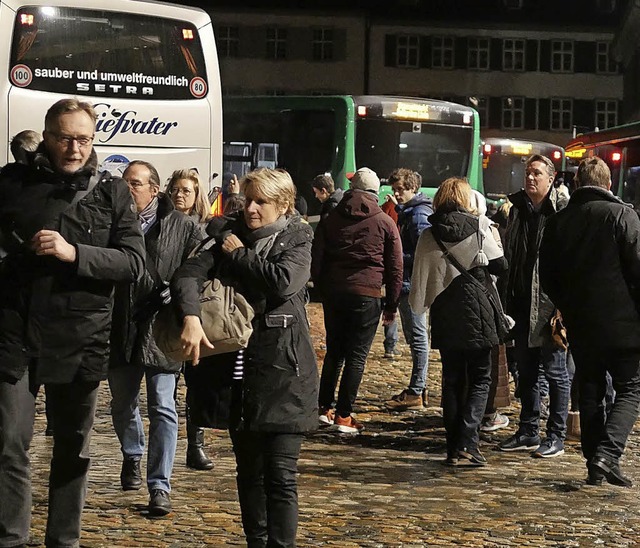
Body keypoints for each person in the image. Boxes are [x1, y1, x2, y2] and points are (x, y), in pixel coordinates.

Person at [0, 98, 145, 548]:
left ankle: (64, 540)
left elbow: (134, 263)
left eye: (83, 138)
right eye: (64, 137)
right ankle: (10, 537)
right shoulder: (11, 182)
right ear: (46, 136)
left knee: (73, 448)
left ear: (94, 139)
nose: (73, 147)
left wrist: (74, 253)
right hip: (14, 332)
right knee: (9, 444)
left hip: (81, 336)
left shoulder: (112, 192)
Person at [171, 167, 318, 547]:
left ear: (283, 204)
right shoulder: (224, 234)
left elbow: (284, 281)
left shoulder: (297, 237)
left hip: (286, 370)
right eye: (248, 200)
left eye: (261, 202)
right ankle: (257, 540)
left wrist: (239, 256)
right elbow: (186, 275)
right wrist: (189, 315)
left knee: (281, 474)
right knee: (249, 471)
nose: (251, 209)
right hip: (238, 370)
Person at [108, 160, 202, 516]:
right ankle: (132, 452)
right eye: (124, 183)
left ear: (153, 189)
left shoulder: (182, 226)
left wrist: (178, 293)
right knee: (122, 403)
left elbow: (198, 269)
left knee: (163, 407)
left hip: (162, 329)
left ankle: (160, 485)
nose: (127, 189)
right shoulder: (112, 223)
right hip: (122, 325)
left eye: (134, 183)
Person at [540, 156, 640, 487]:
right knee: (631, 387)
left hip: (581, 323)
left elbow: (548, 277)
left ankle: (594, 463)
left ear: (579, 183)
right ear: (608, 183)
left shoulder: (559, 222)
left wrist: (566, 307)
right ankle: (607, 455)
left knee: (590, 390)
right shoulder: (622, 215)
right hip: (623, 324)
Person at [410, 177, 508, 466]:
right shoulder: (480, 227)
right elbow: (502, 265)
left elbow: (420, 279)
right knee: (480, 378)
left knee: (451, 379)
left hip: (445, 314)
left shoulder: (429, 235)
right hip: (478, 313)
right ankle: (468, 443)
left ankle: (453, 447)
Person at [312, 167, 403, 433]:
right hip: (368, 294)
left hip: (335, 293)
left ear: (353, 191)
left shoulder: (331, 218)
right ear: (376, 193)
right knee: (357, 356)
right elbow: (395, 267)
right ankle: (343, 415)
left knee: (334, 353)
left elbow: (317, 257)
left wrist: (322, 289)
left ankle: (324, 409)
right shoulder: (385, 222)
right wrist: (392, 304)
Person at [497, 154, 570, 458]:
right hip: (520, 304)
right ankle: (528, 429)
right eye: (528, 173)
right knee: (525, 371)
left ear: (551, 179)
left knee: (556, 373)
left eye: (537, 174)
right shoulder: (515, 210)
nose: (530, 179)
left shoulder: (563, 214)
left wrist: (564, 305)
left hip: (551, 307)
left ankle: (556, 434)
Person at [167, 168, 217, 471]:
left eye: (186, 190)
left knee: (196, 380)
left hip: (196, 311)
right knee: (166, 384)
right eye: (175, 189)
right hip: (164, 311)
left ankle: (195, 444)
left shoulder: (204, 229)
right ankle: (166, 443)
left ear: (197, 195)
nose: (179, 194)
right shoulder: (159, 223)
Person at [384, 168, 433, 411]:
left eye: (401, 189)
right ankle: (418, 388)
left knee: (417, 337)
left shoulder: (418, 214)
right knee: (416, 337)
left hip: (412, 283)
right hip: (410, 281)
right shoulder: (411, 212)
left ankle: (417, 389)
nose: (397, 194)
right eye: (395, 189)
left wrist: (396, 257)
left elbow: (422, 251)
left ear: (413, 187)